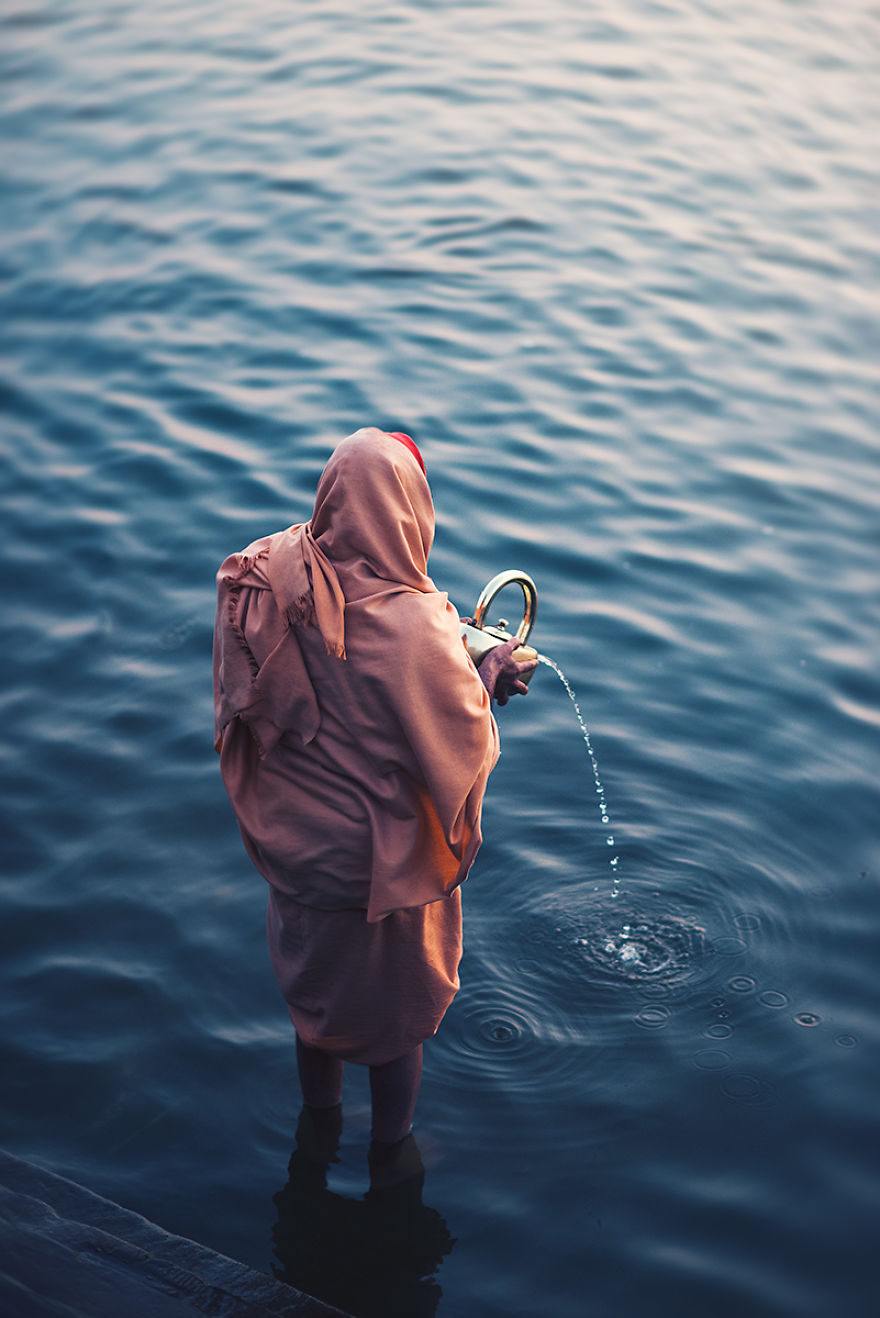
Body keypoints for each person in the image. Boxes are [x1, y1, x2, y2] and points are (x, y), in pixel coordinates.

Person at [213, 426, 535, 1165]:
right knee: (395, 1028)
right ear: (408, 511)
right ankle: (392, 1153)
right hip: (376, 869)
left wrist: (458, 639)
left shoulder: (260, 574)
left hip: (294, 848)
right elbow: (461, 742)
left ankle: (318, 1125)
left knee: (315, 1003)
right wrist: (484, 680)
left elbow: (303, 672)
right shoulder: (414, 628)